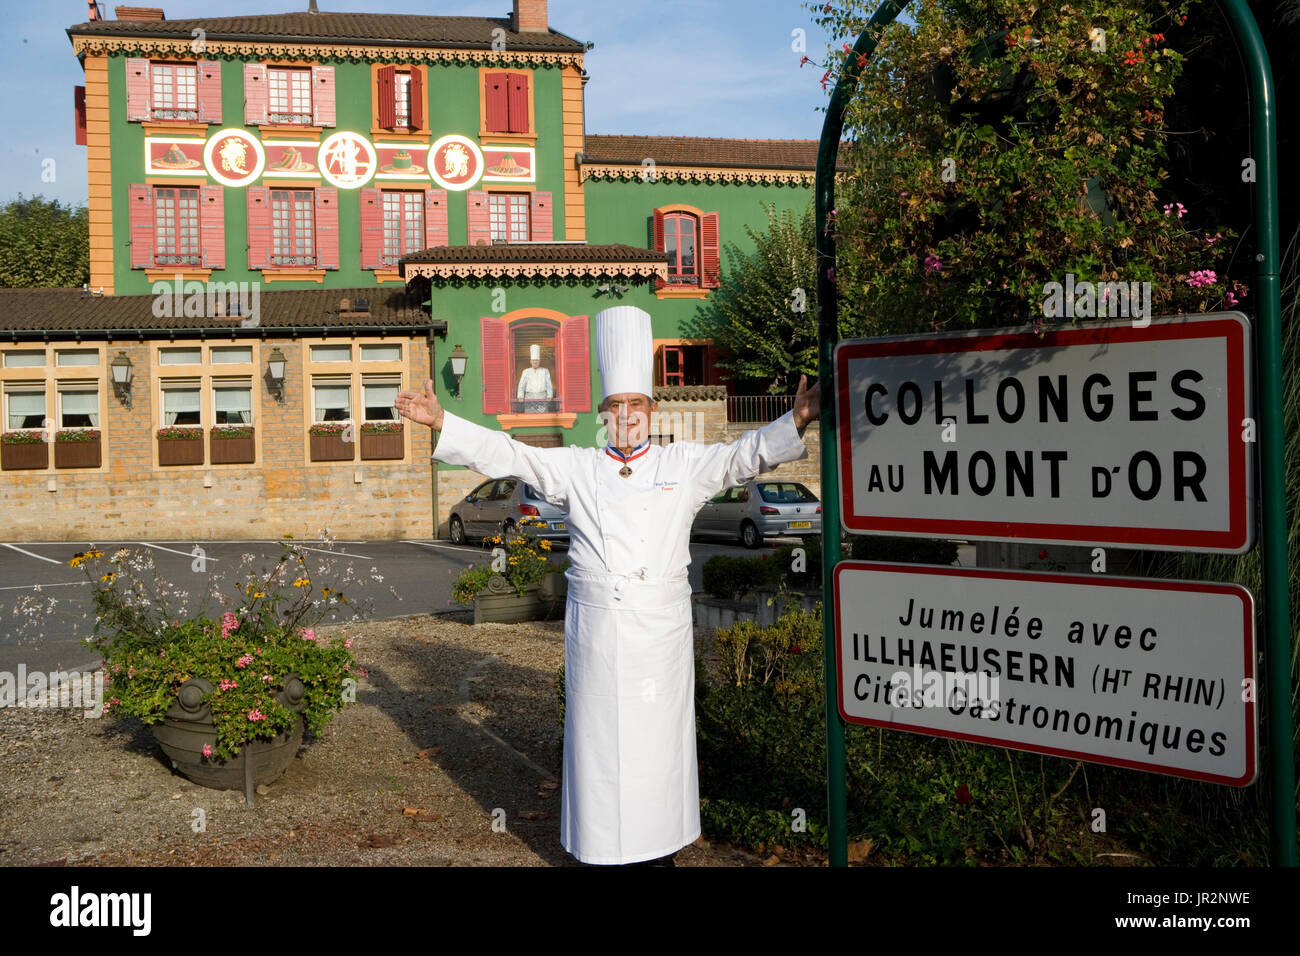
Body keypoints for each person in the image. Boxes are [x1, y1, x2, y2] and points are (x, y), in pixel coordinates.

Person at [396, 305, 820, 866]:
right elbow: (510, 453)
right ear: (603, 413)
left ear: (650, 409)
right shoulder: (577, 467)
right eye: (615, 406)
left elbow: (742, 456)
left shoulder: (685, 463)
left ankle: (659, 850)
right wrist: (441, 421)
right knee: (599, 753)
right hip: (597, 636)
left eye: (635, 405)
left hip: (659, 638)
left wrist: (795, 422)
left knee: (656, 753)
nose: (626, 415)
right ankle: (598, 852)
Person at [516, 343, 554, 413]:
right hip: (529, 398)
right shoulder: (526, 371)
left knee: (543, 418)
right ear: (530, 361)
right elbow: (521, 385)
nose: (535, 362)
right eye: (533, 360)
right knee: (530, 418)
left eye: (536, 360)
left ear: (539, 361)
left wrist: (549, 395)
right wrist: (520, 396)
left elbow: (549, 384)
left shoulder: (545, 371)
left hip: (542, 397)